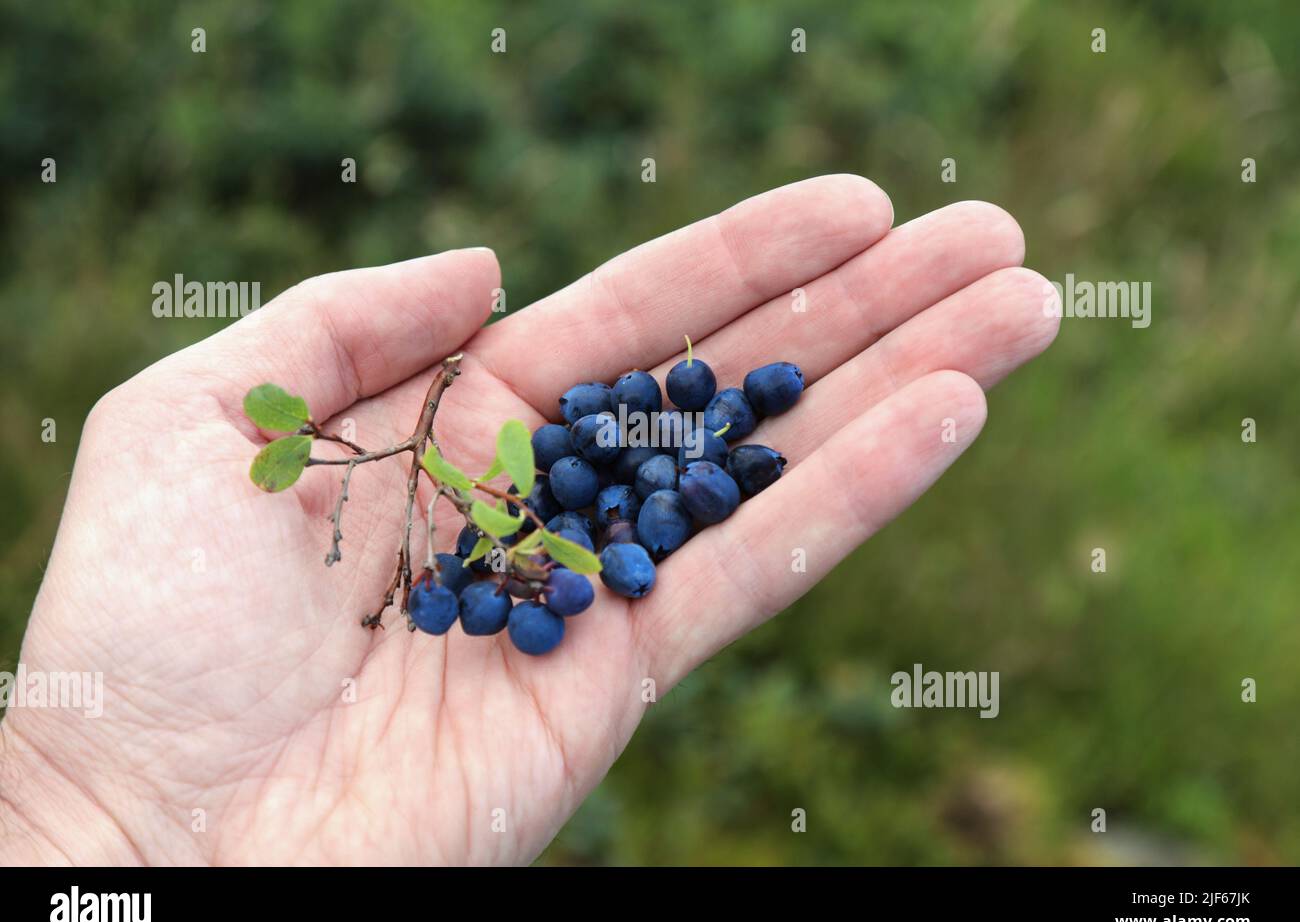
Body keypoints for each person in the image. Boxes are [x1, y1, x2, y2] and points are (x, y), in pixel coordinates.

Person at [0, 176, 1058, 865]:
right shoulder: (543, 526)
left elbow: (634, 491)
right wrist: (88, 798)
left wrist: (83, 818)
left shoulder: (637, 470)